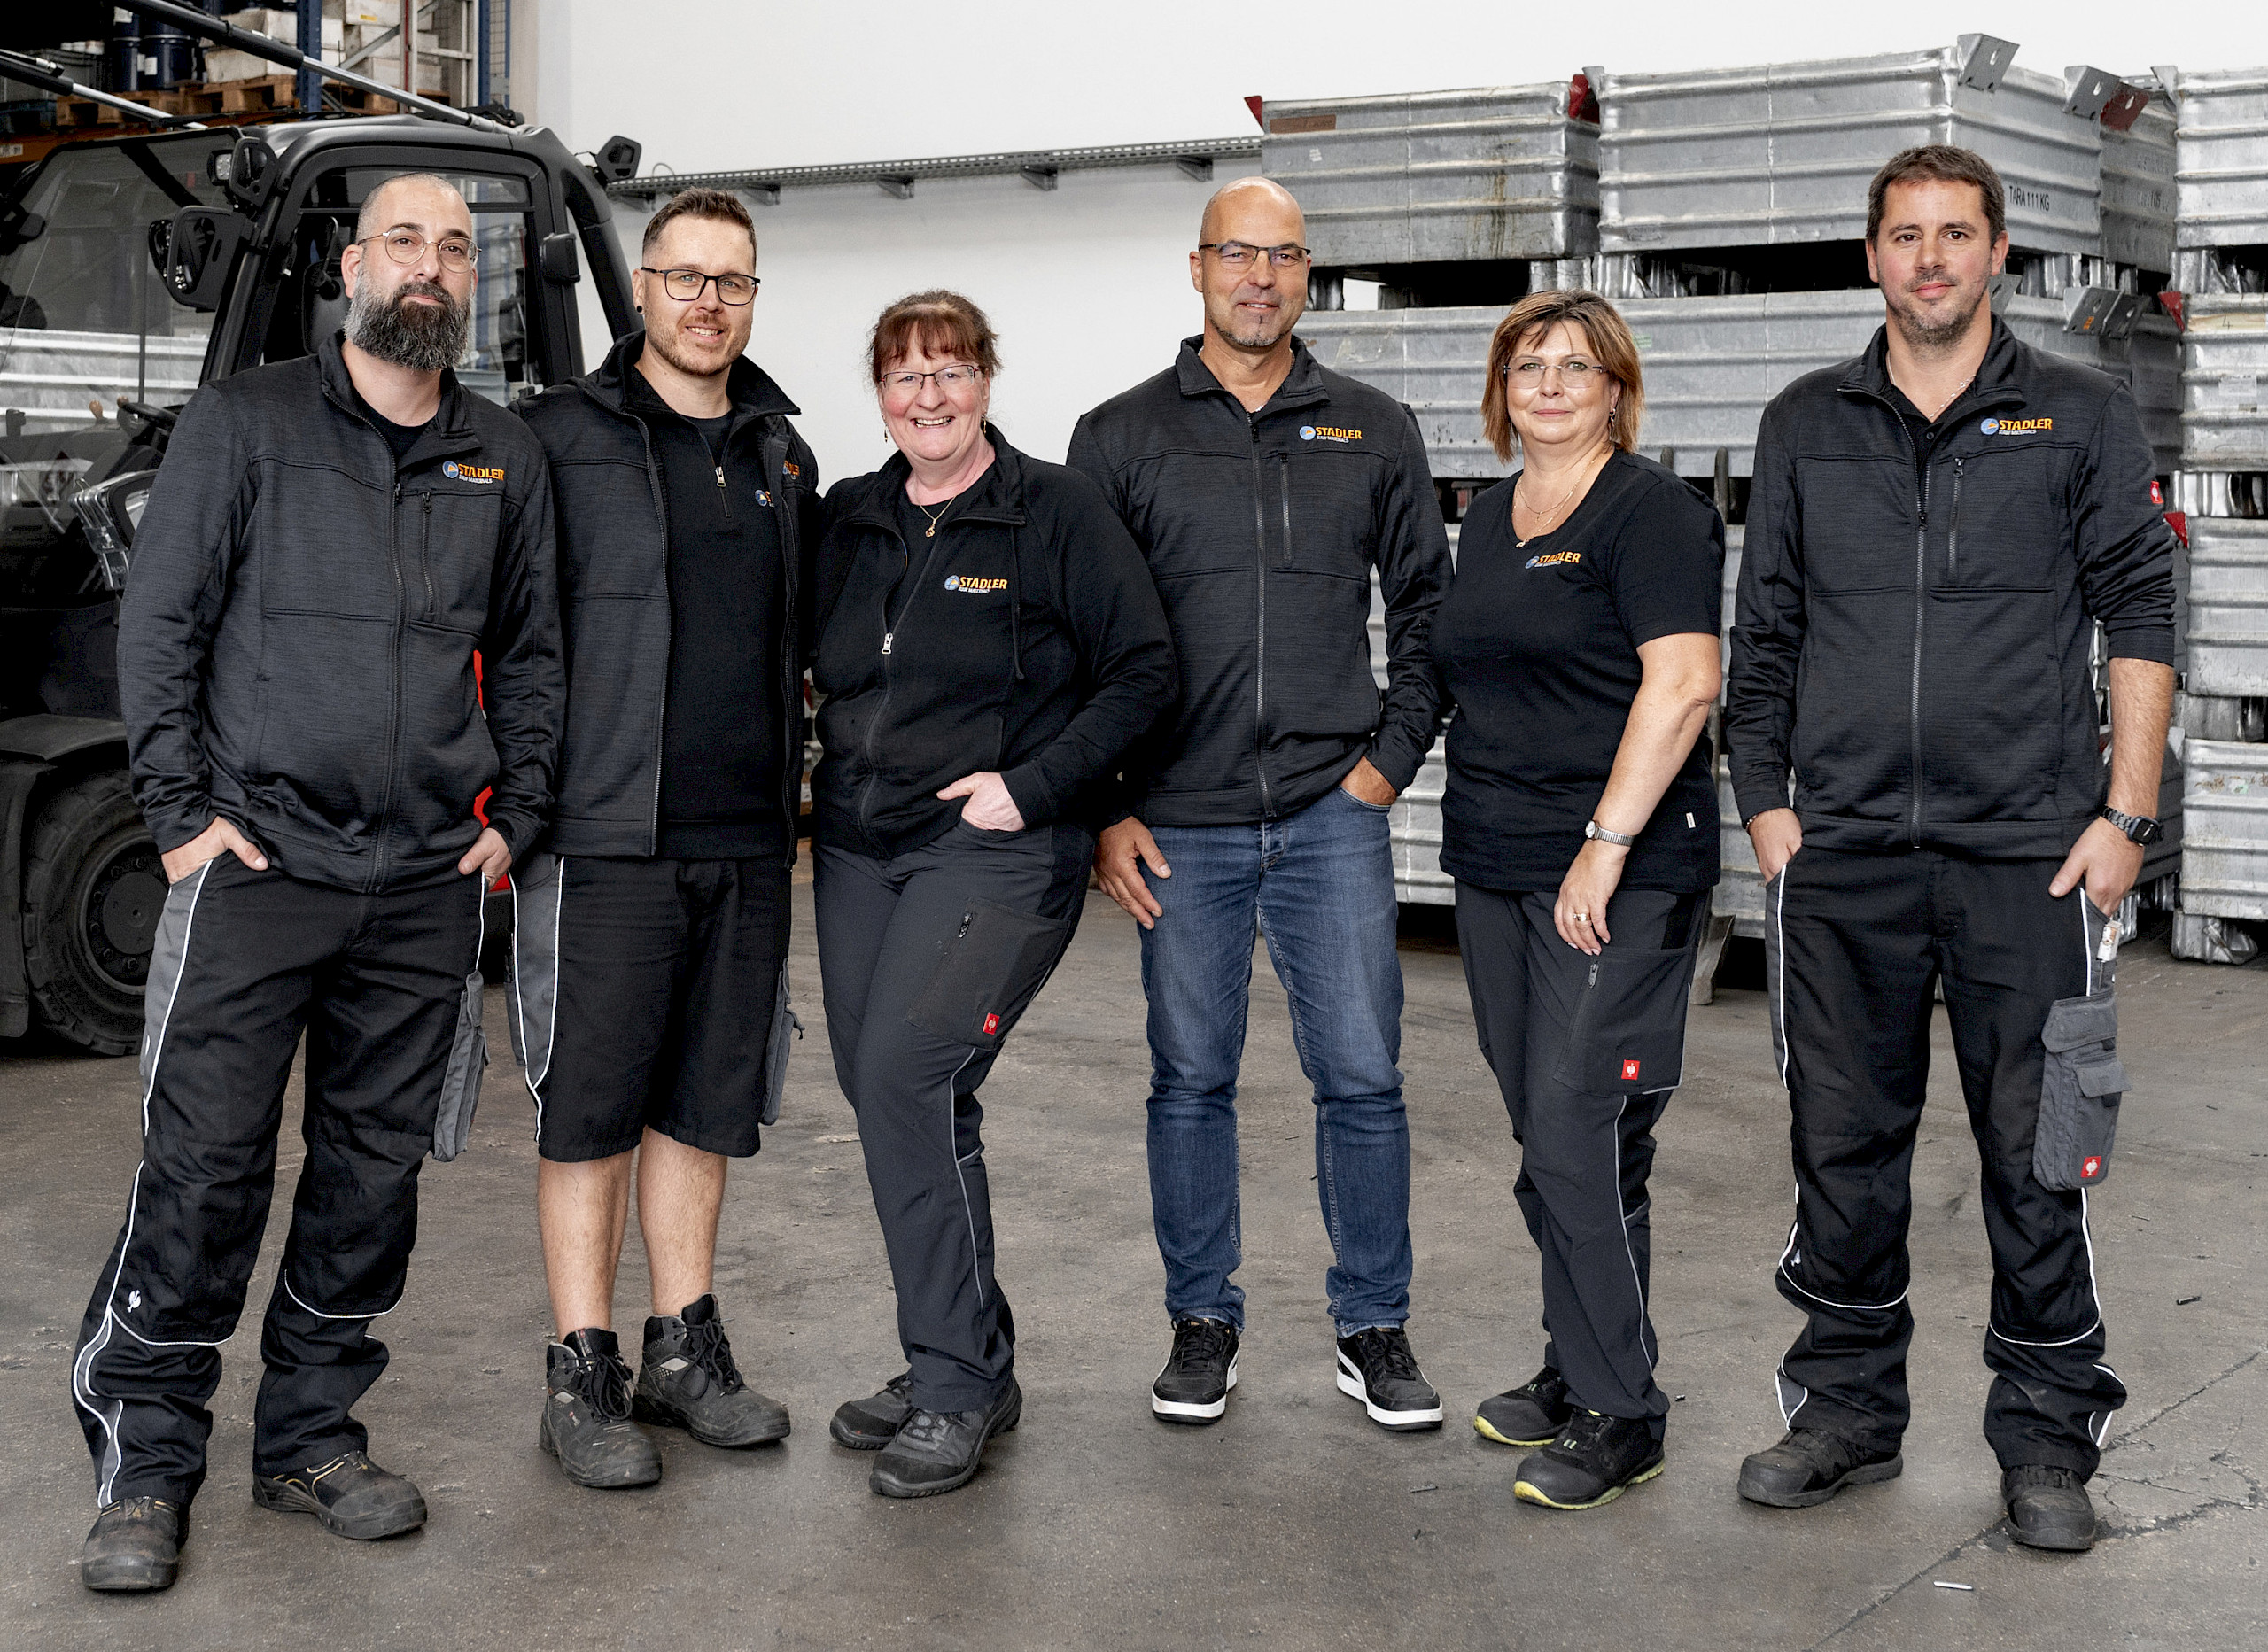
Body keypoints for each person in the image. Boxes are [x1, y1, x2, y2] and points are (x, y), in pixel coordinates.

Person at [73, 173, 562, 1590]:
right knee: (205, 1165)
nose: (431, 265)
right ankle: (146, 1457)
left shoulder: (501, 456)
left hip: (421, 880)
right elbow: (161, 620)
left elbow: (536, 653)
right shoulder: (250, 423)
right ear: (353, 267)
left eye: (456, 247)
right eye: (405, 240)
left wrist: (518, 814)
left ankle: (308, 1436)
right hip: (260, 863)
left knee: (370, 1173)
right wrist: (179, 817)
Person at [1726, 145, 2177, 1552]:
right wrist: (1765, 803)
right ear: (1873, 257)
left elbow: (2142, 610)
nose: (1931, 258)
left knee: (2048, 1153)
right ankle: (1847, 1410)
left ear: (1998, 255)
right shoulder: (1805, 421)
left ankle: (2047, 1435)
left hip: (2033, 857)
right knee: (1841, 1145)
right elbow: (1766, 626)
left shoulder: (2081, 412)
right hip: (1844, 853)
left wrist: (2128, 816)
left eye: (1957, 233)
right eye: (1906, 234)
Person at [1069, 178, 1450, 1431]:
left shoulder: (1374, 428)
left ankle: (1373, 1323)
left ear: (1306, 274)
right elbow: (1078, 641)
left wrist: (1387, 762)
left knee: (1364, 1078)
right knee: (1190, 1079)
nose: (1260, 278)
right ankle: (1203, 1320)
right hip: (1178, 821)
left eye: (1283, 257)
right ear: (1197, 268)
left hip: (1333, 814)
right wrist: (1108, 806)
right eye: (1238, 254)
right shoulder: (1119, 436)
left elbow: (1430, 611)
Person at [812, 291, 1175, 1498]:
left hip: (996, 849)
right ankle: (965, 1350)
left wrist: (1034, 786)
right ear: (880, 395)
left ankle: (957, 1383)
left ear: (985, 381)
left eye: (951, 371)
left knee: (906, 1076)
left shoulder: (1054, 511)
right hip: (860, 847)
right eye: (905, 376)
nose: (929, 397)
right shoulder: (851, 517)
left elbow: (1143, 670)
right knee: (898, 1096)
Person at [514, 187, 820, 1489]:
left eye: (731, 281)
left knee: (705, 1102)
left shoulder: (781, 452)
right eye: (684, 277)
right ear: (640, 289)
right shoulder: (557, 439)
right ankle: (581, 1371)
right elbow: (509, 629)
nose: (707, 302)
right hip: (604, 834)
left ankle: (681, 1350)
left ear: (752, 297)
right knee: (590, 1111)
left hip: (746, 838)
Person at [1431, 291, 1723, 1509]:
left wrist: (1604, 845)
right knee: (1557, 1141)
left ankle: (1623, 1410)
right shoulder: (1488, 516)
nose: (1549, 383)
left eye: (1576, 365)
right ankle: (1583, 1355)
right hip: (1494, 865)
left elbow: (1686, 683)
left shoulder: (1655, 513)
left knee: (1575, 1131)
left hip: (1617, 874)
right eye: (1528, 365)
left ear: (1617, 391)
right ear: (1502, 391)